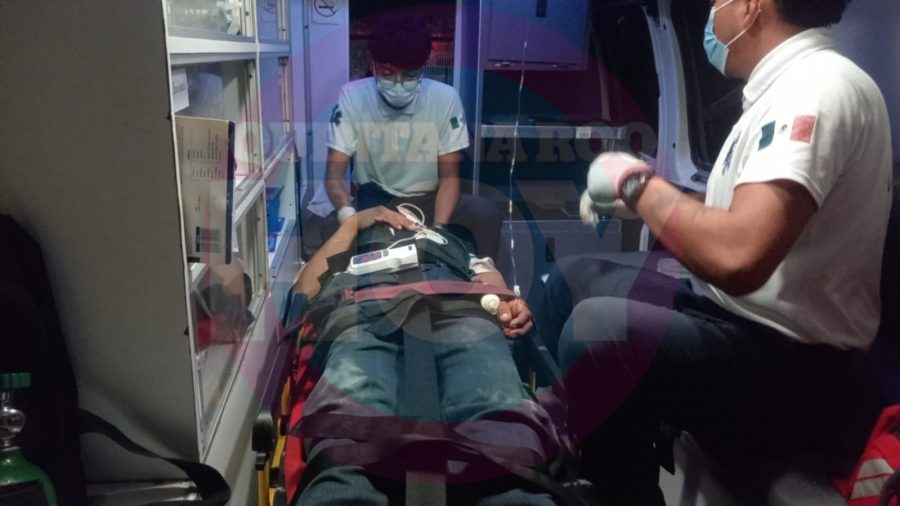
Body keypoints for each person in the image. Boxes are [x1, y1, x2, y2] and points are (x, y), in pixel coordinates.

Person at [532, 0, 893, 504]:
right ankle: (567, 448)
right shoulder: (783, 88)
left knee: (599, 332)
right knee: (570, 280)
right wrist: (647, 195)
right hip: (742, 318)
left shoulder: (818, 89)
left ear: (750, 8)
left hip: (798, 368)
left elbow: (737, 256)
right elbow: (730, 209)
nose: (711, 15)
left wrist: (634, 182)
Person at [290, 206, 561, 505]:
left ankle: (512, 489)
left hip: (459, 309)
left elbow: (493, 286)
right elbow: (304, 290)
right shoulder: (351, 251)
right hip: (364, 314)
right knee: (354, 404)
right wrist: (353, 224)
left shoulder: (454, 245)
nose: (400, 217)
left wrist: (508, 303)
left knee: (491, 397)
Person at [324, 10, 502, 258]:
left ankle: (482, 276)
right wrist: (349, 218)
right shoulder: (352, 97)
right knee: (382, 250)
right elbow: (334, 174)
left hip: (430, 199)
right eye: (387, 73)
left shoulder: (445, 98)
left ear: (423, 68)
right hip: (377, 199)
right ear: (373, 65)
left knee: (485, 212)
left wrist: (439, 231)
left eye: (409, 75)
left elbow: (449, 177)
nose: (398, 83)